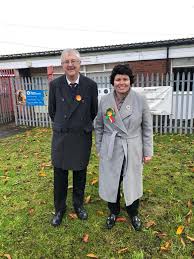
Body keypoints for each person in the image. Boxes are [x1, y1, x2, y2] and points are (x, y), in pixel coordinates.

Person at [95, 64, 153, 230]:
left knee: (132, 180)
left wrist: (147, 151)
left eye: (125, 79)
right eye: (118, 79)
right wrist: (100, 147)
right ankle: (113, 211)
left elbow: (147, 127)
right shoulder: (105, 100)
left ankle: (133, 212)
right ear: (113, 81)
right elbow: (99, 125)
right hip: (111, 146)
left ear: (130, 80)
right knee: (111, 180)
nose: (121, 82)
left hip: (132, 146)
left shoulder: (140, 99)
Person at [48, 48, 98, 227]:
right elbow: (52, 112)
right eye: (66, 62)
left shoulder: (90, 85)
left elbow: (94, 111)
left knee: (80, 174)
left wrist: (79, 125)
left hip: (81, 136)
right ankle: (60, 209)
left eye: (73, 61)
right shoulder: (55, 85)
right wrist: (64, 125)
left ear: (79, 64)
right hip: (62, 137)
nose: (70, 65)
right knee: (60, 175)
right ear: (62, 65)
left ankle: (78, 205)